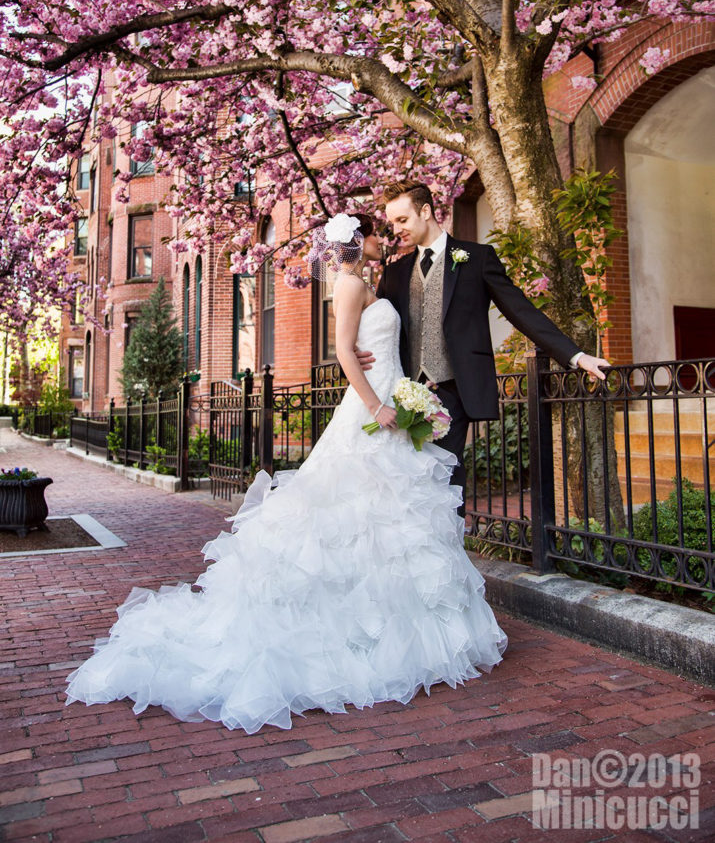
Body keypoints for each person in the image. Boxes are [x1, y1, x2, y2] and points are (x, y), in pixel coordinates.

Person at [65, 212, 508, 734]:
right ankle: (361, 632)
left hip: (392, 389)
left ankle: (389, 623)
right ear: (359, 241)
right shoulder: (348, 284)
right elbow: (344, 351)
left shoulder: (366, 281)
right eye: (376, 233)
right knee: (358, 513)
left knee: (388, 516)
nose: (383, 240)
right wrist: (376, 407)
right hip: (374, 407)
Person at [367, 181, 610, 516]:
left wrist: (576, 355)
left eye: (402, 220)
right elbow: (380, 325)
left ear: (425, 211)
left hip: (453, 388)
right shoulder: (394, 270)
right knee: (406, 482)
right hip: (403, 391)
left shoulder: (477, 258)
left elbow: (520, 309)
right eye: (392, 223)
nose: (396, 230)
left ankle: (449, 551)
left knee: (447, 477)